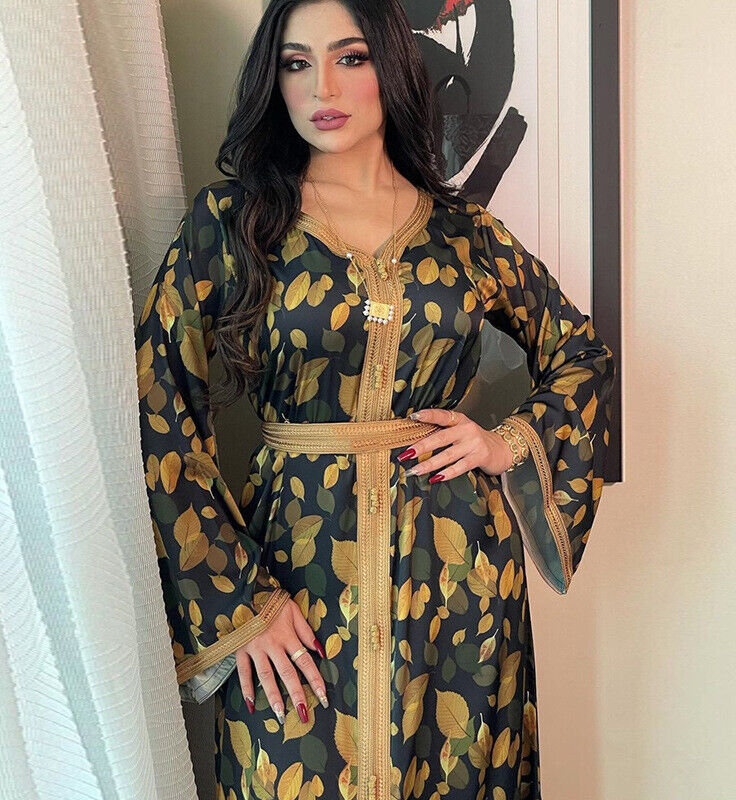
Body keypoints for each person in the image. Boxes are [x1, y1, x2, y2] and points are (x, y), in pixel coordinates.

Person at [133, 0, 615, 797]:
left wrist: (502, 442)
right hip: (296, 575)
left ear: (390, 66)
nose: (321, 85)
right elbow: (158, 405)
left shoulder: (464, 234)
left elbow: (581, 356)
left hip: (457, 582)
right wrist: (239, 603)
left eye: (349, 58)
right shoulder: (234, 223)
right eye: (296, 63)